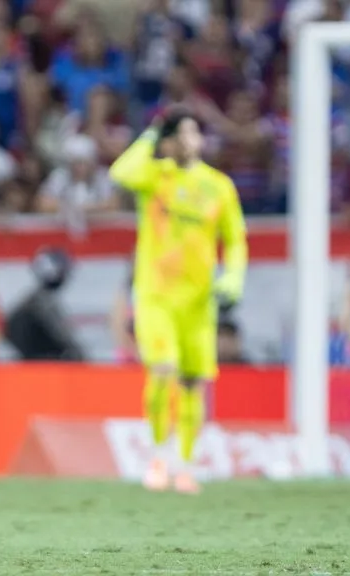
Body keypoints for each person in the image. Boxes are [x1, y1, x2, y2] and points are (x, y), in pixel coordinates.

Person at [109, 109, 248, 494]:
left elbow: (235, 238)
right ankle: (157, 457)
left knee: (191, 383)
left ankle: (185, 466)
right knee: (163, 369)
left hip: (198, 302)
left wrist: (234, 275)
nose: (187, 140)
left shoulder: (218, 186)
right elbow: (120, 172)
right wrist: (153, 133)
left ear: (202, 140)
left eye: (193, 132)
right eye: (180, 133)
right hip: (156, 295)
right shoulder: (156, 176)